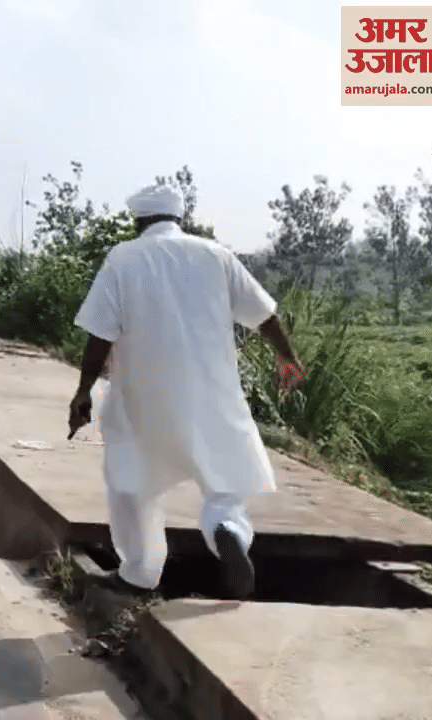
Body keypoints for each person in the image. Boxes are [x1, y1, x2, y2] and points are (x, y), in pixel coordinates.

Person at [68, 183, 305, 600]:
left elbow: (100, 333)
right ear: (179, 217)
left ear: (139, 220)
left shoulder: (124, 257)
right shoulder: (216, 254)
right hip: (213, 392)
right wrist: (287, 357)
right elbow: (263, 314)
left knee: (131, 481)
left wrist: (84, 390)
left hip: (142, 397)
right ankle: (227, 530)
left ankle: (139, 573)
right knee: (223, 480)